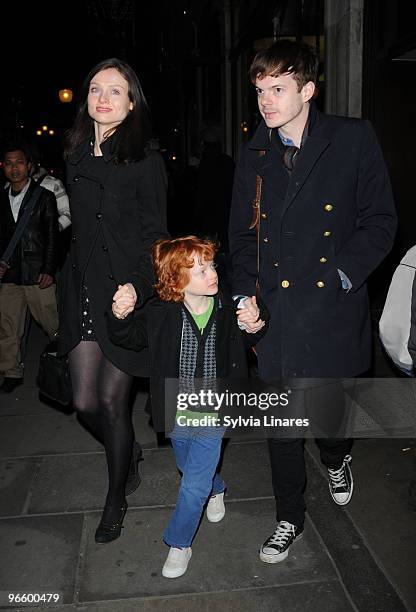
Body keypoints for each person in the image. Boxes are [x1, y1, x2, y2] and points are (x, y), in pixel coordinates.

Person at [229, 40, 397, 563]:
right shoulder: (255, 154)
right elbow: (239, 236)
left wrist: (343, 275)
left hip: (331, 308)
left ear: (308, 88)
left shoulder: (352, 138)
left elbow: (380, 221)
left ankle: (337, 458)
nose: (266, 100)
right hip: (275, 314)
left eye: (278, 88)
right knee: (281, 427)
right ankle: (288, 517)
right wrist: (242, 297)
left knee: (329, 420)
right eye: (260, 90)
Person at [107, 236, 268, 577]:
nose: (211, 274)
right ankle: (218, 486)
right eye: (198, 270)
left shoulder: (226, 308)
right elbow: (129, 338)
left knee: (192, 485)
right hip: (176, 409)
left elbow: (250, 327)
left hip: (215, 409)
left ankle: (179, 544)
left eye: (210, 265)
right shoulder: (161, 314)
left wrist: (256, 319)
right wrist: (119, 316)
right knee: (188, 466)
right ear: (176, 281)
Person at [58, 58, 168, 544]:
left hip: (125, 295)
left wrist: (140, 287)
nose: (103, 98)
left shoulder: (145, 160)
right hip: (82, 288)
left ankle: (115, 495)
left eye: (115, 90)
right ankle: (130, 453)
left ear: (131, 101)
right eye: (95, 89)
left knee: (111, 400)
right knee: (82, 402)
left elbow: (157, 238)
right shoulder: (76, 153)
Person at [0, 141, 59, 392]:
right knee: (7, 327)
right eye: (9, 163)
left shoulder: (44, 197)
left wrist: (48, 268)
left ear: (30, 166)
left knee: (53, 324)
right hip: (9, 275)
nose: (14, 168)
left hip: (37, 274)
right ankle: (11, 372)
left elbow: (52, 236)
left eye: (20, 162)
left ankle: (68, 362)